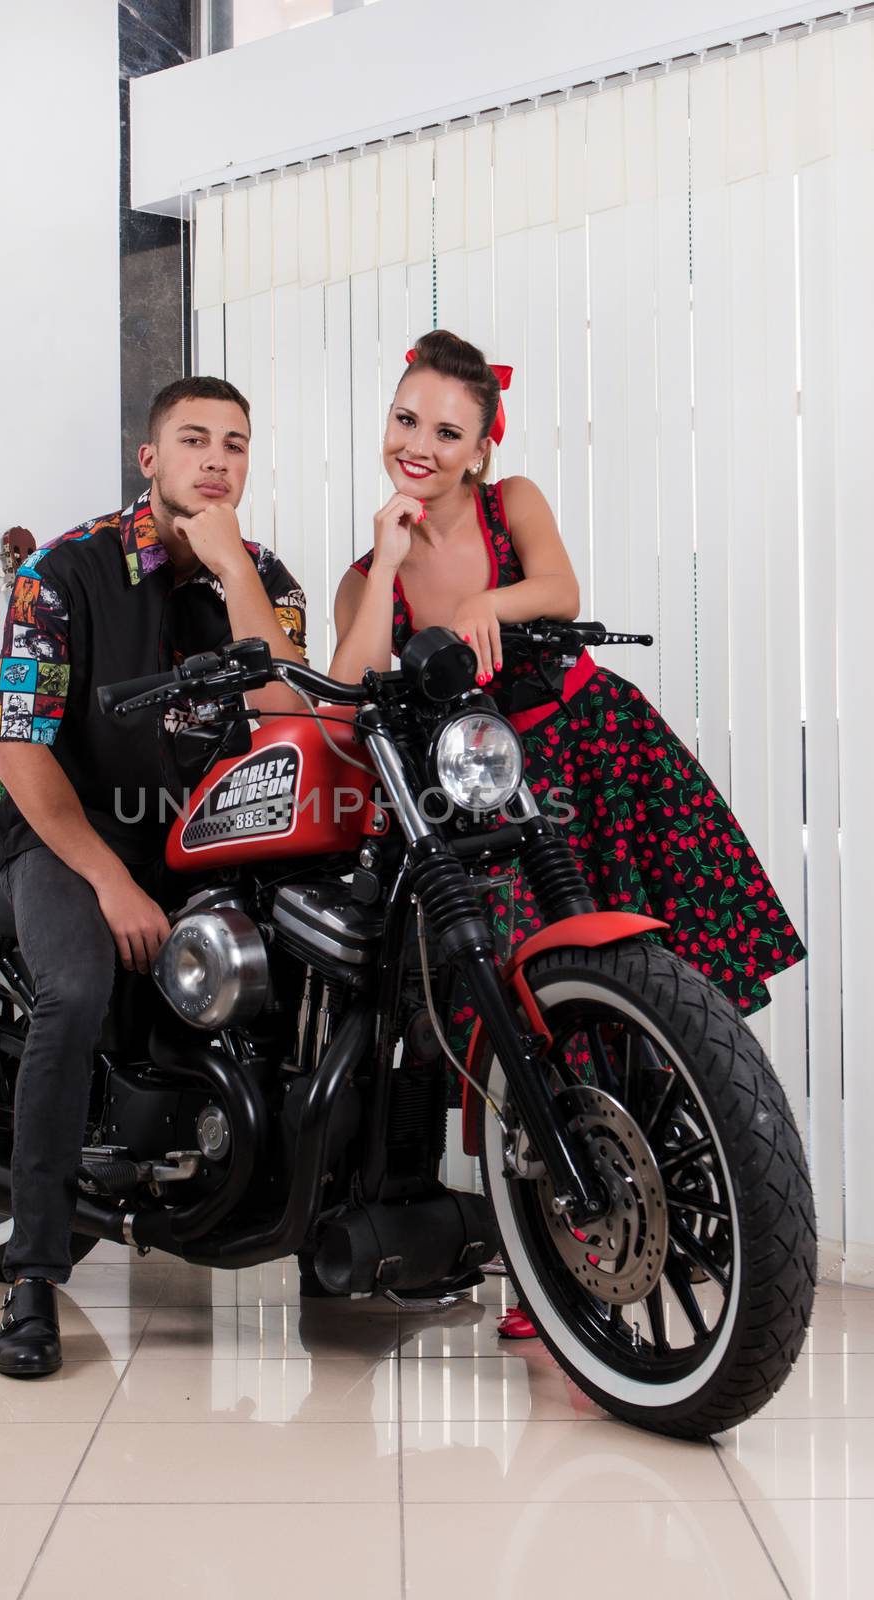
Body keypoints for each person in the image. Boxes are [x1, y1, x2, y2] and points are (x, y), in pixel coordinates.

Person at [329, 328, 805, 1338]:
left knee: (641, 983)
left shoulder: (514, 504)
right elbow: (352, 677)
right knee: (517, 1009)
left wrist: (484, 605)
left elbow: (558, 590)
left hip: (589, 751)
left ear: (479, 446)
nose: (418, 444)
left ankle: (677, 1206)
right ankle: (556, 1249)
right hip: (481, 783)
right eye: (404, 419)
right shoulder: (371, 561)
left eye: (444, 430)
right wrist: (388, 563)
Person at [0, 375, 307, 1377]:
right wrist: (110, 884)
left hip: (205, 845)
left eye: (236, 445)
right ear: (149, 458)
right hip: (69, 839)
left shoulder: (259, 573)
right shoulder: (62, 570)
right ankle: (31, 1274)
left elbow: (291, 700)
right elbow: (20, 751)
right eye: (193, 439)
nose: (216, 460)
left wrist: (227, 570)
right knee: (76, 990)